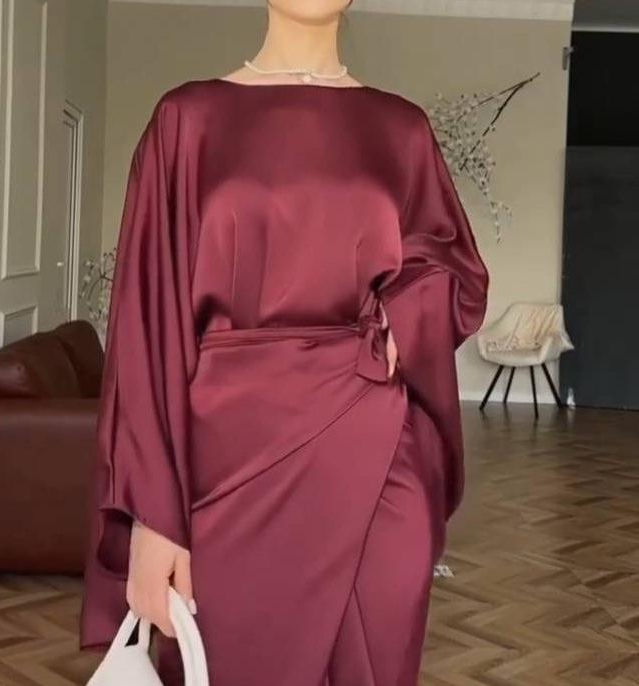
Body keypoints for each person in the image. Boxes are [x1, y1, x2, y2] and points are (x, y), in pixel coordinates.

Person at [79, 1, 489, 684]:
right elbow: (145, 327)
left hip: (375, 455)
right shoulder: (186, 119)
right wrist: (152, 514)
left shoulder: (402, 129)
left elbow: (455, 271)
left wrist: (403, 319)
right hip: (224, 466)